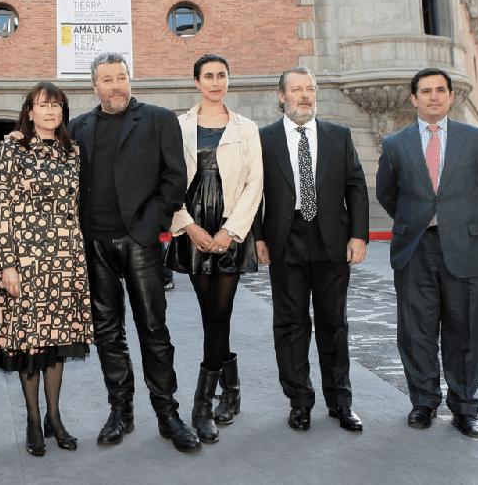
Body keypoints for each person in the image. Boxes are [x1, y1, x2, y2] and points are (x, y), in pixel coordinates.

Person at [71, 52, 198, 453]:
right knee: (108, 333)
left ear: (130, 79)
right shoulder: (78, 127)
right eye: (107, 79)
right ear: (95, 86)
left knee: (153, 330)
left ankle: (167, 414)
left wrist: (151, 224)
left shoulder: (158, 119)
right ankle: (120, 412)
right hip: (95, 244)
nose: (116, 86)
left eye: (121, 77)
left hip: (140, 242)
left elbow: (175, 177)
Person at [376, 68, 478, 438]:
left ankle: (465, 407)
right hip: (415, 248)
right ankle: (424, 402)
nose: (433, 96)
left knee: (464, 330)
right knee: (415, 332)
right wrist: (418, 220)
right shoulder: (396, 144)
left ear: (451, 97)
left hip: (467, 248)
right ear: (414, 99)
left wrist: (466, 223)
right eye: (425, 91)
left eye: (440, 90)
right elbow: (389, 194)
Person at [253, 67, 369, 433]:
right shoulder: (264, 139)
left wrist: (359, 235)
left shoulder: (339, 135)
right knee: (291, 325)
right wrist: (258, 237)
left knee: (334, 324)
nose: (305, 95)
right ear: (281, 96)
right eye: (297, 89)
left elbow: (357, 187)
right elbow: (253, 192)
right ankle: (299, 402)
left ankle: (341, 403)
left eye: (310, 89)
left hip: (332, 240)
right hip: (284, 241)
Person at [0, 82, 93, 457]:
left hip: (64, 259)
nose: (50, 111)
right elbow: (3, 208)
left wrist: (76, 259)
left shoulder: (71, 150)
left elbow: (76, 205)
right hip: (25, 261)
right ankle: (33, 419)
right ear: (29, 111)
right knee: (30, 344)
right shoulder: (13, 147)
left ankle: (54, 418)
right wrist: (7, 265)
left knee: (58, 343)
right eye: (42, 105)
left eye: (56, 105)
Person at [165, 54, 263, 443]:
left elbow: (255, 182)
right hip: (192, 226)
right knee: (211, 316)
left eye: (222, 75)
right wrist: (186, 225)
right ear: (196, 82)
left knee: (220, 312)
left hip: (230, 230)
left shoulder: (247, 128)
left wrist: (232, 231)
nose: (216, 81)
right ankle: (232, 389)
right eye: (209, 76)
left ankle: (202, 404)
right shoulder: (178, 126)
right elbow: (168, 179)